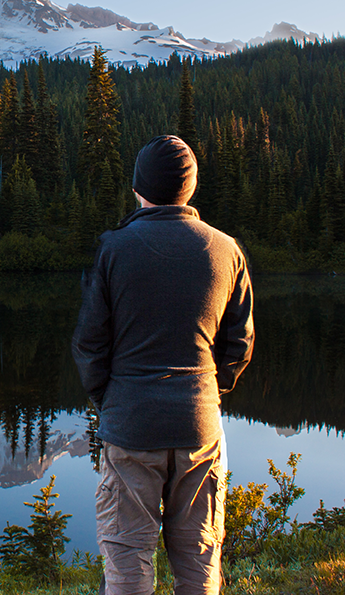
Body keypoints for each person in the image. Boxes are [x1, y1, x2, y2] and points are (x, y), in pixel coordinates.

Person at [71, 134, 254, 595]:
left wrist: (110, 401)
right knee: (198, 558)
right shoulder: (226, 250)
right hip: (199, 425)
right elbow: (240, 344)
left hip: (131, 424)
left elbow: (90, 344)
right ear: (188, 189)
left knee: (128, 560)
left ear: (139, 188)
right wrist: (208, 392)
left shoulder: (115, 249)